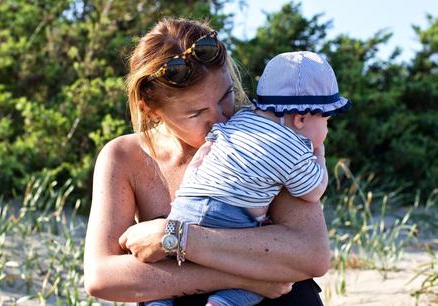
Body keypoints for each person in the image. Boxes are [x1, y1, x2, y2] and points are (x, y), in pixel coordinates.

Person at [84, 17, 332, 306]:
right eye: (196, 112)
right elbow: (101, 276)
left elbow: (313, 254)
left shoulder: (265, 137)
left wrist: (174, 237)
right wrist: (244, 278)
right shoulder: (124, 157)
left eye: (226, 95)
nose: (220, 117)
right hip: (260, 286)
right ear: (150, 109)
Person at [138, 51, 351, 306]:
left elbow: (208, 146)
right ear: (301, 118)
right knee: (260, 286)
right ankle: (223, 303)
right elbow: (313, 190)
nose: (218, 117)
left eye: (225, 97)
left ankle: (158, 303)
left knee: (165, 266)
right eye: (326, 120)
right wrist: (319, 154)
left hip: (186, 206)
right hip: (231, 219)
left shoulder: (241, 119)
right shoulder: (293, 150)